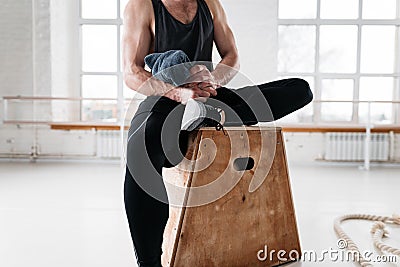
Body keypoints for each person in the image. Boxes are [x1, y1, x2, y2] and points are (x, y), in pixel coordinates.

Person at [122, 0, 313, 266]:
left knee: (300, 89)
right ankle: (150, 263)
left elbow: (231, 55)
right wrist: (177, 92)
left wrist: (213, 80)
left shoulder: (210, 4)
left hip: (208, 96)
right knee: (140, 150)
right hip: (165, 97)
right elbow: (131, 72)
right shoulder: (142, 5)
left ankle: (206, 114)